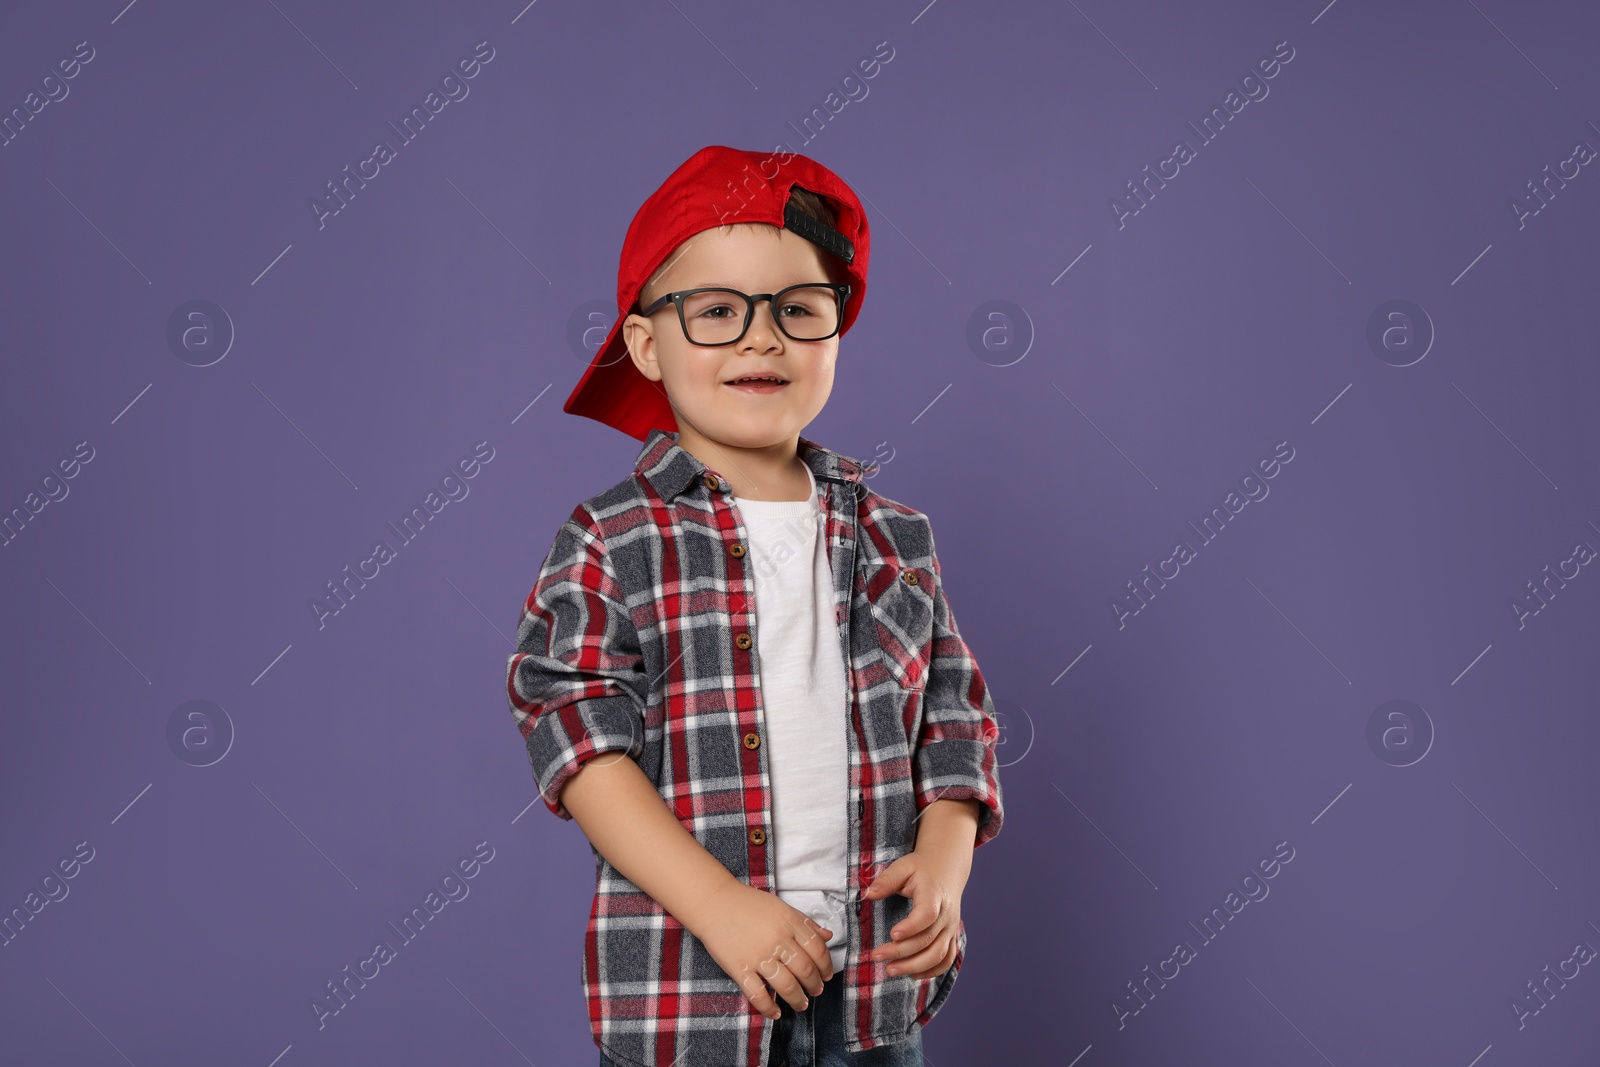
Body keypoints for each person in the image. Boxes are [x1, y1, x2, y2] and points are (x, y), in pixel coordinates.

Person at [505, 144, 1005, 1067]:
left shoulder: (899, 537)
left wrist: (946, 859)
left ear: (835, 334)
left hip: (873, 996)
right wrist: (722, 908)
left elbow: (954, 717)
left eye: (798, 311)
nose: (760, 338)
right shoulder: (613, 539)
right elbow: (577, 739)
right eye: (718, 311)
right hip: (694, 996)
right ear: (646, 343)